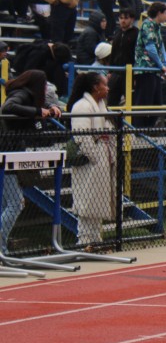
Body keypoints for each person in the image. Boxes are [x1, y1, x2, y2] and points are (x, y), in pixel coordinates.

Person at [1, 70, 63, 252]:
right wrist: (37, 111)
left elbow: (38, 109)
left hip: (12, 152)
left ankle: (2, 248)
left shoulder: (28, 95)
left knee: (7, 204)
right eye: (43, 85)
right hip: (7, 153)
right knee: (15, 203)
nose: (45, 89)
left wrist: (50, 108)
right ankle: (1, 247)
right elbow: (8, 107)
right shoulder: (22, 94)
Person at [67, 72, 115, 245]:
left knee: (98, 200)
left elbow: (108, 129)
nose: (108, 88)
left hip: (102, 155)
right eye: (105, 84)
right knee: (86, 200)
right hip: (89, 158)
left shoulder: (101, 105)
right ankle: (84, 239)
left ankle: (95, 239)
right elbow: (82, 136)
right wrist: (94, 156)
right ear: (96, 87)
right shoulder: (82, 106)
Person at [134, 2, 166, 128]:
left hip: (154, 70)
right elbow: (150, 47)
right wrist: (161, 65)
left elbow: (161, 47)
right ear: (159, 13)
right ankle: (139, 130)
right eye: (165, 13)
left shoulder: (157, 27)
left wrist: (165, 64)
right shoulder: (147, 25)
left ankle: (147, 129)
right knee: (144, 102)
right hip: (145, 68)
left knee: (157, 103)